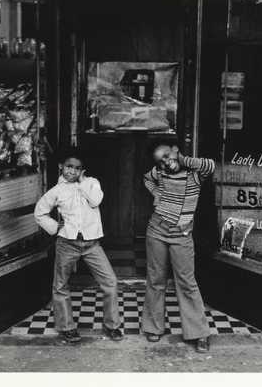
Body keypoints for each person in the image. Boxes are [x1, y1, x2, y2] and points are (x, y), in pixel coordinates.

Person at [34, 150, 123, 343]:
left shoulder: (92, 183)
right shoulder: (56, 191)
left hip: (92, 244)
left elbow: (96, 201)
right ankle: (67, 327)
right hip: (67, 244)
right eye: (68, 167)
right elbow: (40, 212)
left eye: (77, 168)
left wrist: (82, 182)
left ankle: (112, 326)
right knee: (60, 285)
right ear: (61, 167)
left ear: (83, 170)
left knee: (110, 282)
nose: (72, 171)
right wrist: (54, 227)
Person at [142, 144, 215, 353]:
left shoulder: (194, 174)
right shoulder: (160, 172)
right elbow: (146, 178)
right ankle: (153, 327)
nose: (165, 162)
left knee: (186, 282)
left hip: (181, 234)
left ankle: (199, 333)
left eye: (167, 156)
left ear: (175, 150)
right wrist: (157, 193)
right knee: (156, 279)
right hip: (156, 229)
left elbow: (211, 166)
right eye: (160, 160)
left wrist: (181, 158)